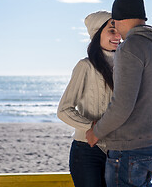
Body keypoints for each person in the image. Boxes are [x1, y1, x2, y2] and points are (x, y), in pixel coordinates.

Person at [86, 0, 152, 187]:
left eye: (114, 24)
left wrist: (96, 132)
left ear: (119, 19)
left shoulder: (130, 47)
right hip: (151, 146)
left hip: (128, 150)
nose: (117, 32)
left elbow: (122, 105)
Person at [57, 10, 121, 187]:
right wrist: (92, 127)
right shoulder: (85, 66)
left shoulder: (127, 65)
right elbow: (63, 110)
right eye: (111, 30)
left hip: (118, 152)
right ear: (97, 34)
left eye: (119, 30)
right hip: (86, 151)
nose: (118, 35)